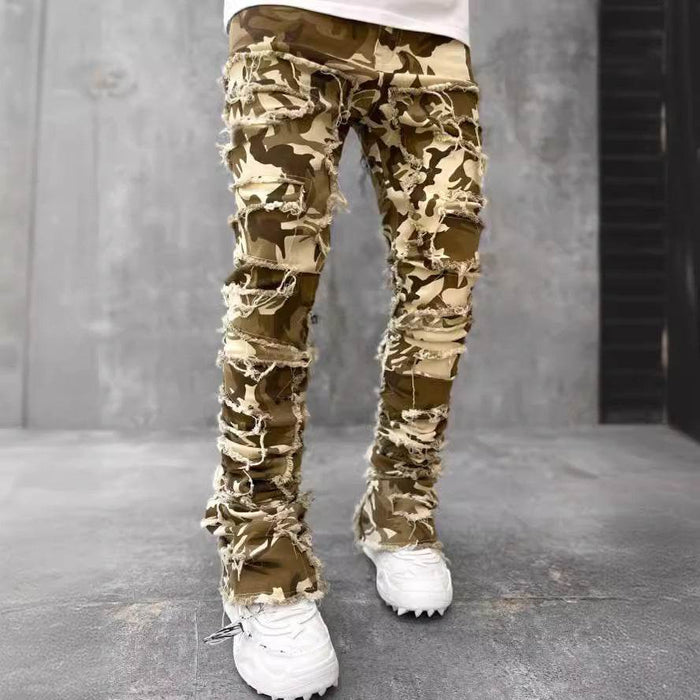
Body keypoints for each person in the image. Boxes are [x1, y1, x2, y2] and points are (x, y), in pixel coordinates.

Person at [202, 1, 484, 697]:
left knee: (443, 286)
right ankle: (260, 559)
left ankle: (400, 508)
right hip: (288, 22)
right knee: (275, 289)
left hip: (432, 31)